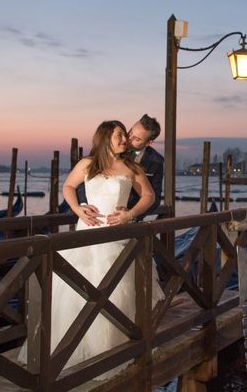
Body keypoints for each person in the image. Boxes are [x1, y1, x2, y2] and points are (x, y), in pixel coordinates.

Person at [20, 120, 163, 376]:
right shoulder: (87, 164)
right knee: (78, 293)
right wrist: (78, 209)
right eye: (120, 135)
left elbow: (149, 196)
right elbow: (68, 186)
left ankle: (112, 352)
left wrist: (129, 215)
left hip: (116, 236)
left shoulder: (131, 166)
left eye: (124, 136)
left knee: (116, 293)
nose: (124, 140)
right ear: (106, 137)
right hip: (87, 233)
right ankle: (68, 353)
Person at [76, 114, 164, 222]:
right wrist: (84, 205)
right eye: (130, 132)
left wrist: (131, 215)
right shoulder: (110, 147)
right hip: (95, 217)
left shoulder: (156, 161)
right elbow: (85, 180)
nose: (128, 139)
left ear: (149, 143)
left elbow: (154, 199)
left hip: (127, 220)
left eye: (136, 139)